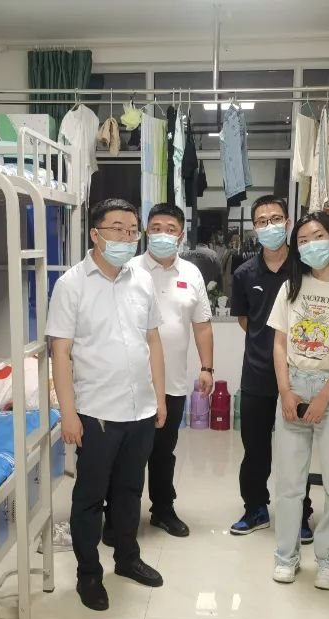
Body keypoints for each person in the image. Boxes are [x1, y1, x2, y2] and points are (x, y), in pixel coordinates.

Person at [46, 198, 167, 612]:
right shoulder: (71, 284)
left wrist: (159, 397)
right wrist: (68, 413)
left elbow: (153, 340)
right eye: (118, 228)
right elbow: (60, 352)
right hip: (96, 412)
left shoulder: (142, 280)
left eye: (133, 230)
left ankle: (127, 558)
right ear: (95, 234)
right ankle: (88, 574)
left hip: (141, 409)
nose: (127, 237)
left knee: (130, 491)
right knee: (89, 498)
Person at [268, 212, 329, 589]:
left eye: (318, 236)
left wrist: (324, 396)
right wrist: (285, 391)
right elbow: (279, 343)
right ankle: (285, 556)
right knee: (290, 482)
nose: (311, 245)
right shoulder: (291, 286)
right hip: (294, 384)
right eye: (303, 240)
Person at [130, 203, 214, 538]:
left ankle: (163, 509)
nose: (162, 234)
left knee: (163, 452)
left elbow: (202, 325)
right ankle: (121, 514)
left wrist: (207, 368)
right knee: (128, 454)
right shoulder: (129, 268)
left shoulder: (191, 274)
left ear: (181, 234)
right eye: (156, 228)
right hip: (130, 382)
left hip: (173, 383)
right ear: (146, 231)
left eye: (170, 229)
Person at [229, 195, 311, 537]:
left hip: (301, 373)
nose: (270, 226)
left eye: (276, 219)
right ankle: (255, 509)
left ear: (288, 223)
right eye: (262, 221)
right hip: (258, 373)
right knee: (255, 448)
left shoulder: (306, 269)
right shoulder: (244, 273)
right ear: (254, 228)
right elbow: (246, 320)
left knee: (298, 450)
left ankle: (300, 514)